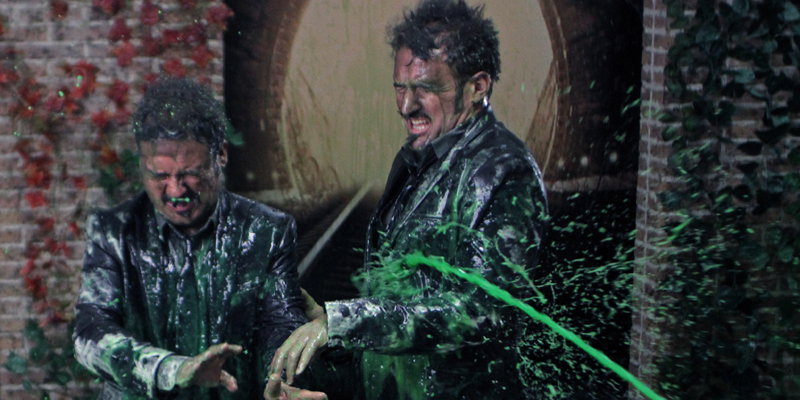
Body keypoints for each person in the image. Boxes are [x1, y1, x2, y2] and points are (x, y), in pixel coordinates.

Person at [267, 0, 548, 399]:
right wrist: (331, 343)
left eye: (426, 88)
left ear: (477, 87)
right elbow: (397, 303)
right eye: (401, 86)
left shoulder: (505, 171)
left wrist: (345, 321)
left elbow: (480, 314)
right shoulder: (416, 159)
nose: (406, 105)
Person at [73, 77, 308, 400]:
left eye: (190, 172)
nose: (175, 190)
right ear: (142, 165)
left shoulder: (268, 231)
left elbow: (281, 323)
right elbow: (90, 332)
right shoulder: (113, 232)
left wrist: (280, 379)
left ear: (220, 154)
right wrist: (173, 369)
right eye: (159, 175)